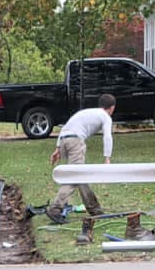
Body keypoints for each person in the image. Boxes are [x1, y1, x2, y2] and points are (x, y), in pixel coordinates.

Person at [45, 93, 117, 223]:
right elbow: (107, 136)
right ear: (111, 108)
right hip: (75, 141)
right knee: (75, 177)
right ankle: (55, 209)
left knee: (80, 176)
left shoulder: (87, 112)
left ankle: (95, 209)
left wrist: (57, 148)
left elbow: (66, 126)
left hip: (64, 140)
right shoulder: (106, 117)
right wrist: (107, 158)